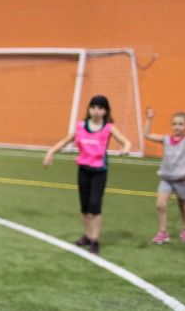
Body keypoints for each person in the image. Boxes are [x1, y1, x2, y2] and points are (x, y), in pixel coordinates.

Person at [43, 93, 132, 255]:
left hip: (99, 171)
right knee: (84, 207)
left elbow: (126, 141)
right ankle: (87, 235)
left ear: (105, 111)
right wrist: (51, 152)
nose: (96, 111)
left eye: (100, 108)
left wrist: (125, 148)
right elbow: (65, 141)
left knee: (95, 206)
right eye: (93, 107)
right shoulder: (80, 126)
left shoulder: (108, 128)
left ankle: (95, 240)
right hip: (83, 170)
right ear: (89, 109)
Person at [144, 107, 185, 244]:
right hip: (166, 179)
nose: (177, 127)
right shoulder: (166, 139)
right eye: (174, 124)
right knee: (160, 205)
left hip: (182, 180)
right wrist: (149, 119)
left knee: (183, 205)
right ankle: (163, 232)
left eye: (181, 124)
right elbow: (147, 135)